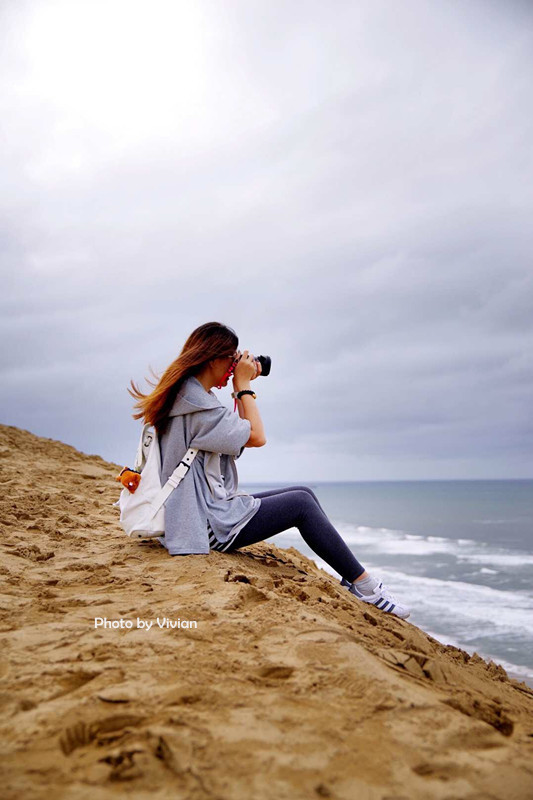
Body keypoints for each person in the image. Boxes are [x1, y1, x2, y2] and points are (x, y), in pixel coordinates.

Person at [129, 321, 410, 619]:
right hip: (200, 525)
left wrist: (238, 384)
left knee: (303, 493)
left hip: (193, 512)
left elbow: (235, 432)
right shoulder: (198, 407)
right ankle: (366, 586)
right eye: (230, 359)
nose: (233, 367)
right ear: (212, 359)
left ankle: (352, 579)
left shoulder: (185, 396)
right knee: (300, 505)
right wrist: (244, 386)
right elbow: (257, 437)